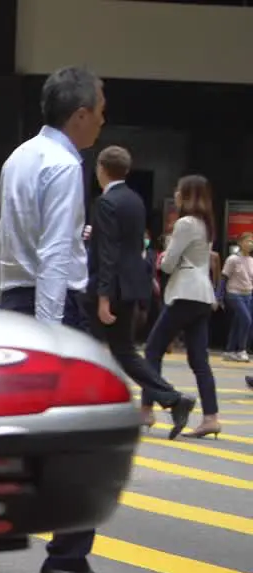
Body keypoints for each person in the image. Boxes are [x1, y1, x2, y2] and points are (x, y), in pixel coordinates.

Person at [0, 66, 123, 573]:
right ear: (79, 114)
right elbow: (53, 254)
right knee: (86, 439)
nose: (102, 121)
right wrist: (52, 335)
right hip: (55, 308)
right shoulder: (66, 165)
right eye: (100, 110)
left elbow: (8, 242)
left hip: (15, 299)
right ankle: (68, 556)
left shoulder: (18, 157)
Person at [85, 146, 196, 438]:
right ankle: (172, 398)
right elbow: (126, 245)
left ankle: (97, 410)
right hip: (133, 285)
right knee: (123, 350)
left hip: (111, 288)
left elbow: (109, 252)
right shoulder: (134, 200)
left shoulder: (105, 203)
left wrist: (104, 296)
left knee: (88, 349)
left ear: (101, 168)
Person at [143, 175, 223, 439]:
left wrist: (164, 256)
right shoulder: (206, 225)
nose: (175, 193)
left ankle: (147, 409)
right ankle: (211, 417)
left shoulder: (186, 223)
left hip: (185, 292)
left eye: (179, 190)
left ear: (187, 195)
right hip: (202, 294)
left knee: (153, 349)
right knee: (199, 359)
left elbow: (167, 264)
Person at [219, 232, 253, 362]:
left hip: (248, 295)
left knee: (238, 322)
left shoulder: (251, 260)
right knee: (246, 320)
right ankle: (241, 350)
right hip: (234, 293)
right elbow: (224, 278)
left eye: (251, 241)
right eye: (247, 240)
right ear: (240, 243)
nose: (250, 243)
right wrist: (219, 297)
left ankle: (229, 350)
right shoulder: (232, 259)